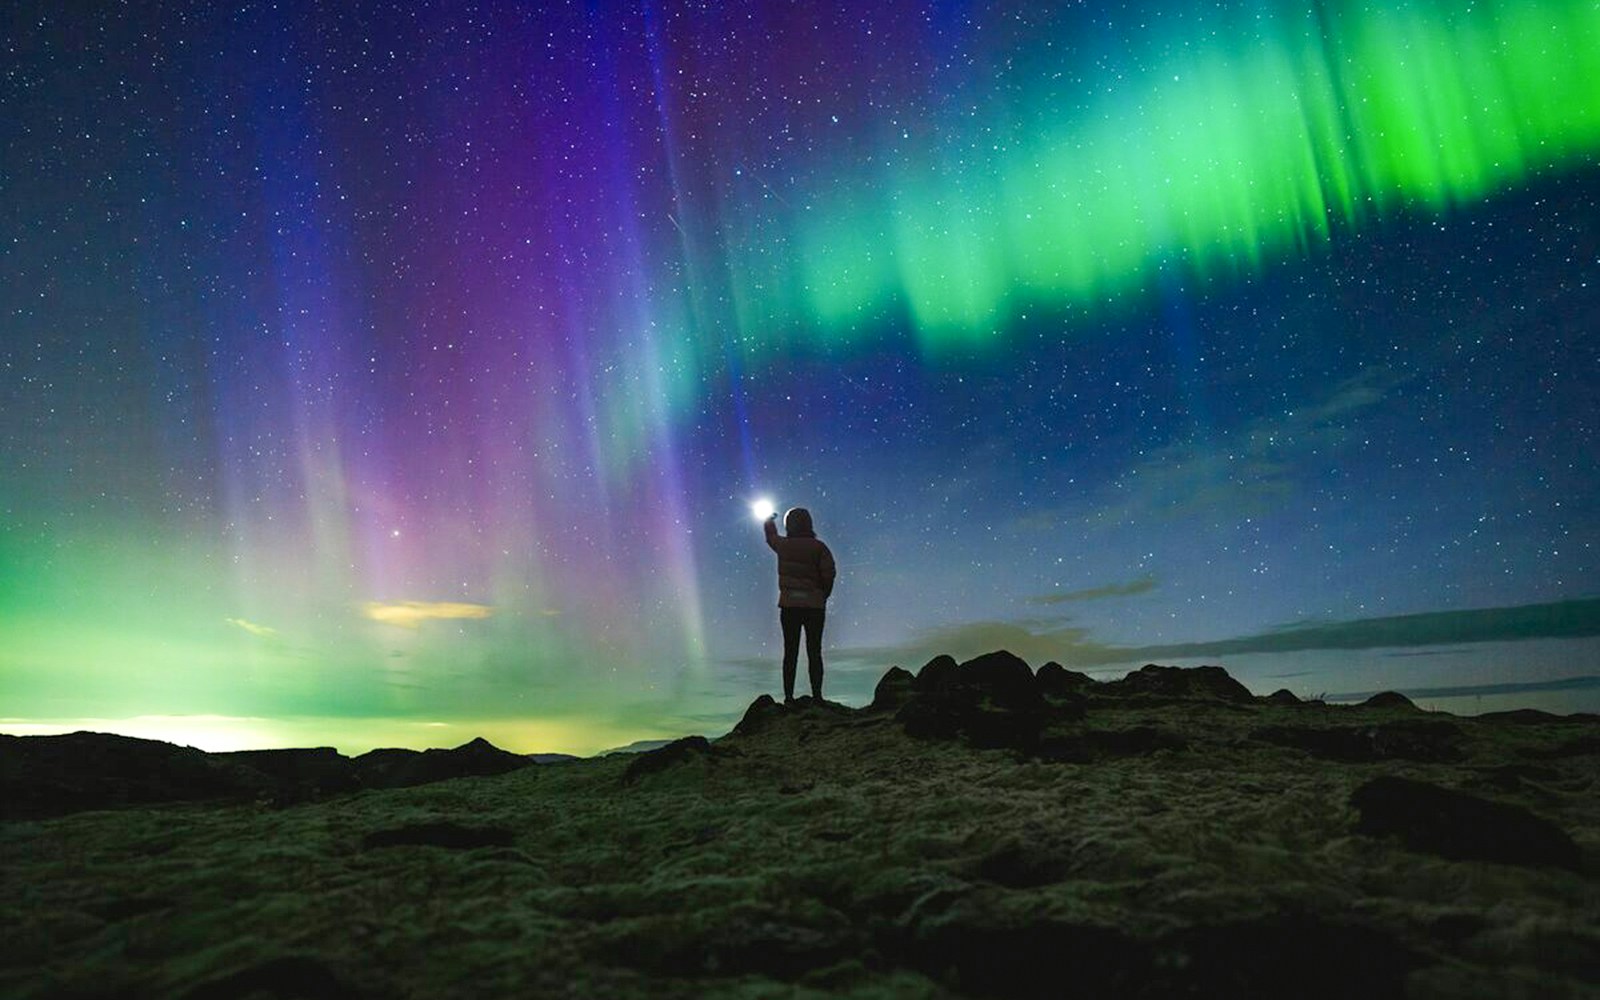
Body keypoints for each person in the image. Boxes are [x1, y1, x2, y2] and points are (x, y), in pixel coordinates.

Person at [763, 506, 836, 703]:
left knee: (790, 652)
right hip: (814, 606)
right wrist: (822, 595)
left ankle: (788, 697)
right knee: (815, 651)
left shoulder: (784, 545)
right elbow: (829, 574)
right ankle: (817, 696)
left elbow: (771, 537)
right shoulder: (819, 547)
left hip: (789, 606)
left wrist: (769, 521)